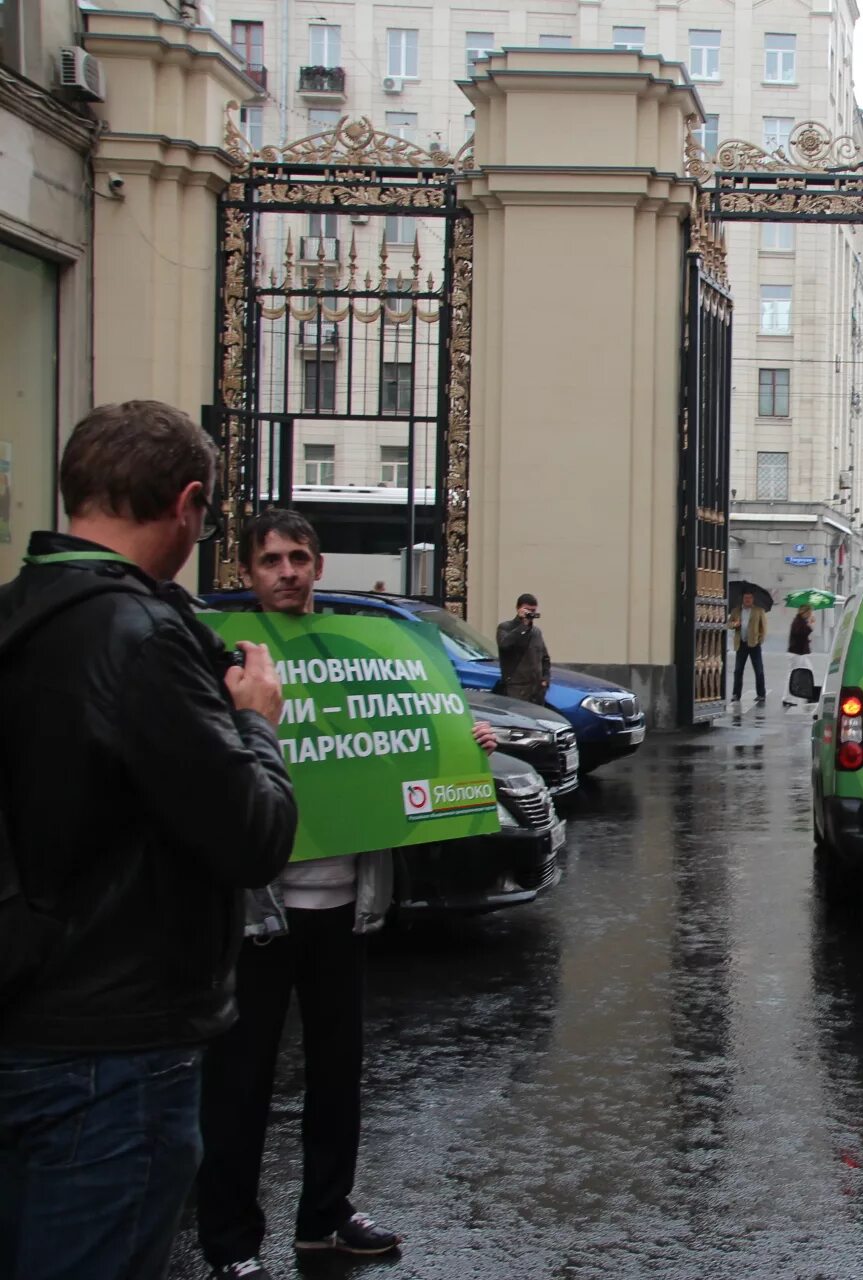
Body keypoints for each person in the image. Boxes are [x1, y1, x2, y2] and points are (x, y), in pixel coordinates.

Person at [0, 401, 299, 1280]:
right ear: (189, 504)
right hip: (112, 1050)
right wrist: (256, 724)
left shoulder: (19, 613)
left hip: (25, 1009)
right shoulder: (142, 635)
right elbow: (253, 836)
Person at [196, 510, 496, 1280]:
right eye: (271, 560)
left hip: (343, 905)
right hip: (259, 915)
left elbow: (395, 735)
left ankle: (324, 1217)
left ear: (319, 566)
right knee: (241, 1084)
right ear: (248, 570)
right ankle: (230, 1243)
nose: (287, 571)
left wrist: (464, 740)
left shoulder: (358, 652)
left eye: (299, 557)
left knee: (337, 1074)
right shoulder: (221, 654)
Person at [496, 593, 549, 705]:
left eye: (533, 610)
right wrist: (523, 625)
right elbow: (504, 645)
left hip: (536, 690)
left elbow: (544, 658)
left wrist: (545, 679)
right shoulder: (505, 627)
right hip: (516, 688)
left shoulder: (536, 632)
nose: (530, 613)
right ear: (518, 609)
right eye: (527, 610)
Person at [728, 594, 768, 706]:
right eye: (745, 598)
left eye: (750, 598)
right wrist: (734, 624)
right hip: (741, 644)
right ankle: (736, 694)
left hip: (754, 644)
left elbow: (763, 627)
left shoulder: (759, 610)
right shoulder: (735, 611)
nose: (747, 600)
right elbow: (729, 624)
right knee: (738, 670)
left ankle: (761, 694)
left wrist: (760, 640)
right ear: (743, 599)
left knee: (759, 670)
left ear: (753, 599)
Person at [782, 605, 814, 708]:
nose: (810, 615)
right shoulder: (798, 621)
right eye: (809, 613)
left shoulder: (800, 621)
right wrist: (810, 624)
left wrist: (807, 639)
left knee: (808, 670)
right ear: (805, 612)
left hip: (798, 653)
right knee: (793, 675)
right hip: (796, 653)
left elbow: (801, 635)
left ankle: (807, 695)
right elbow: (801, 633)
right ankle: (788, 698)